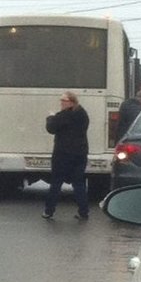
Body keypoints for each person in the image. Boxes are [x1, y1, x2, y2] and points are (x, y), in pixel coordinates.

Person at [42, 91, 90, 221]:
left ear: (71, 102)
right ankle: (83, 212)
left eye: (64, 100)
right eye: (61, 100)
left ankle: (49, 210)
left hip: (62, 154)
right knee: (79, 183)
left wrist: (50, 117)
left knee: (56, 183)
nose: (62, 103)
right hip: (80, 153)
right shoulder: (82, 114)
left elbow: (51, 128)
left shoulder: (64, 116)